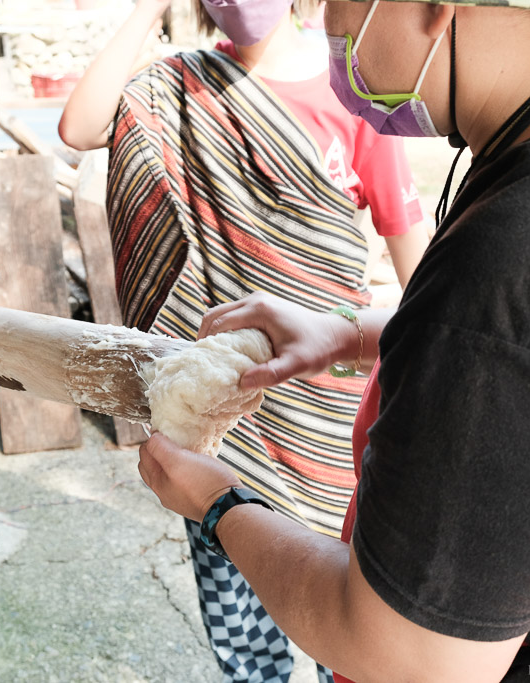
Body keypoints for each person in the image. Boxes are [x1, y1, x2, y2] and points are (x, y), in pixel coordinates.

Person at [137, 0, 530, 681]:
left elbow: (405, 656)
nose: (326, 22)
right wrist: (350, 333)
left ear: (434, 7)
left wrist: (219, 501)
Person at [60, 0, 428, 680]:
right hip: (221, 413)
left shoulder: (355, 94)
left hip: (328, 422)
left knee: (340, 625)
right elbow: (79, 125)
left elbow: (424, 279)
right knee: (242, 628)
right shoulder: (177, 86)